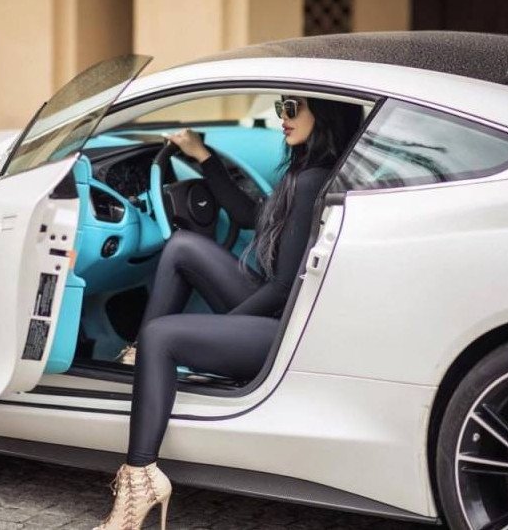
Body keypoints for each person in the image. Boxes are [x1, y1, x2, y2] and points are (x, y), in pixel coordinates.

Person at [94, 96, 362, 530]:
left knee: (163, 335)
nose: (282, 117)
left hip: (287, 330)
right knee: (182, 247)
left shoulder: (313, 180)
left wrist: (221, 327)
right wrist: (203, 157)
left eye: (293, 108)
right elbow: (249, 215)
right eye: (280, 106)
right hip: (285, 313)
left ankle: (140, 478)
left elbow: (281, 289)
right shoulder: (304, 171)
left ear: (327, 115)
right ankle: (140, 356)